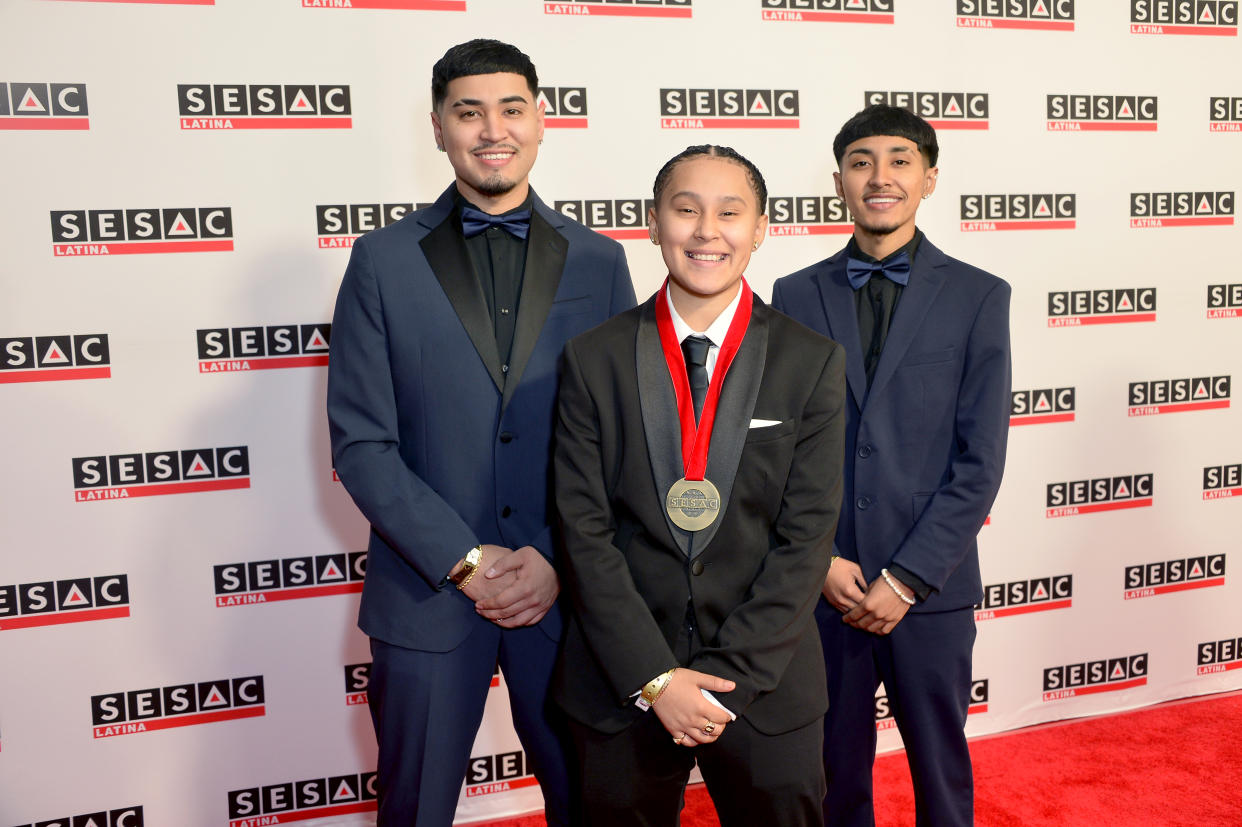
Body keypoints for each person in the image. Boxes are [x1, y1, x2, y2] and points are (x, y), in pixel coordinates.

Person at [326, 38, 635, 826]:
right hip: (425, 594)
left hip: (566, 595)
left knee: (589, 802)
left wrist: (557, 558)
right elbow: (363, 442)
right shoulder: (381, 261)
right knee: (415, 808)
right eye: (469, 112)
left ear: (541, 120)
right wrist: (463, 561)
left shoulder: (599, 261)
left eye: (510, 108)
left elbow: (623, 440)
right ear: (437, 127)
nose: (491, 129)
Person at [552, 145, 847, 826]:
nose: (707, 231)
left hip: (766, 680)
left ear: (762, 227)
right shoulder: (593, 359)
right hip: (622, 677)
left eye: (729, 212)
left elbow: (807, 538)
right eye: (685, 210)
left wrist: (724, 685)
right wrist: (655, 678)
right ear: (653, 223)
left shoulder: (811, 360)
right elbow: (583, 530)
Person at [771, 105, 1011, 827]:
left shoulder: (979, 295)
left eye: (901, 160)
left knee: (940, 770)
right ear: (839, 179)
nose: (881, 177)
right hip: (826, 587)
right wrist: (821, 560)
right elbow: (777, 449)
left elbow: (980, 459)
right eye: (861, 161)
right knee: (831, 767)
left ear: (930, 177)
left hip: (929, 588)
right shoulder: (793, 294)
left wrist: (905, 577)